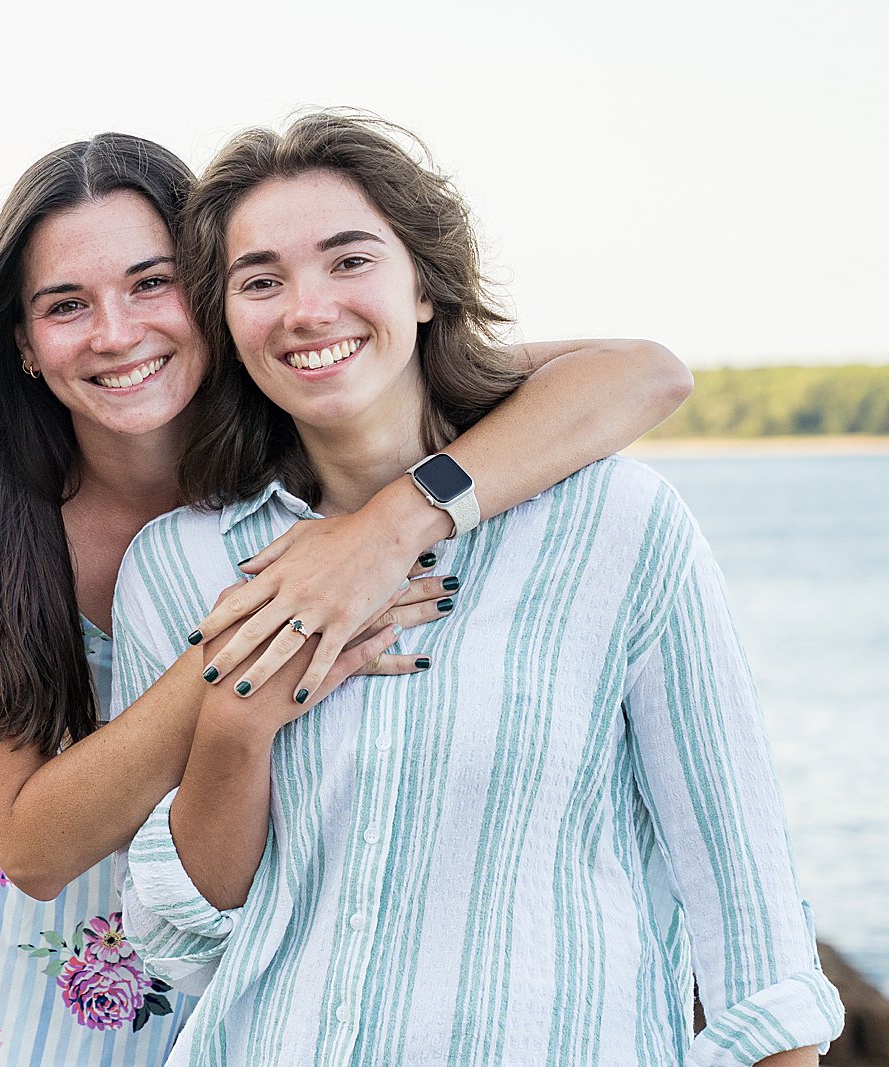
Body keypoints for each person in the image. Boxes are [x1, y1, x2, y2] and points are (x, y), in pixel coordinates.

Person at [0, 130, 693, 1066]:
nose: (117, 332)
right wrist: (246, 645)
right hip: (45, 1001)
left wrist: (386, 529)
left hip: (279, 991)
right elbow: (30, 846)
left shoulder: (317, 415)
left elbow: (646, 372)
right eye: (67, 305)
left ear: (215, 290)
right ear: (26, 345)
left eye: (152, 283)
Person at [116, 112, 844, 1066]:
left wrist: (389, 530)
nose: (305, 309)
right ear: (230, 323)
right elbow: (184, 939)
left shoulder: (615, 524)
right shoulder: (180, 564)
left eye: (350, 261)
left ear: (424, 287)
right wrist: (241, 715)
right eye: (261, 280)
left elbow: (749, 914)